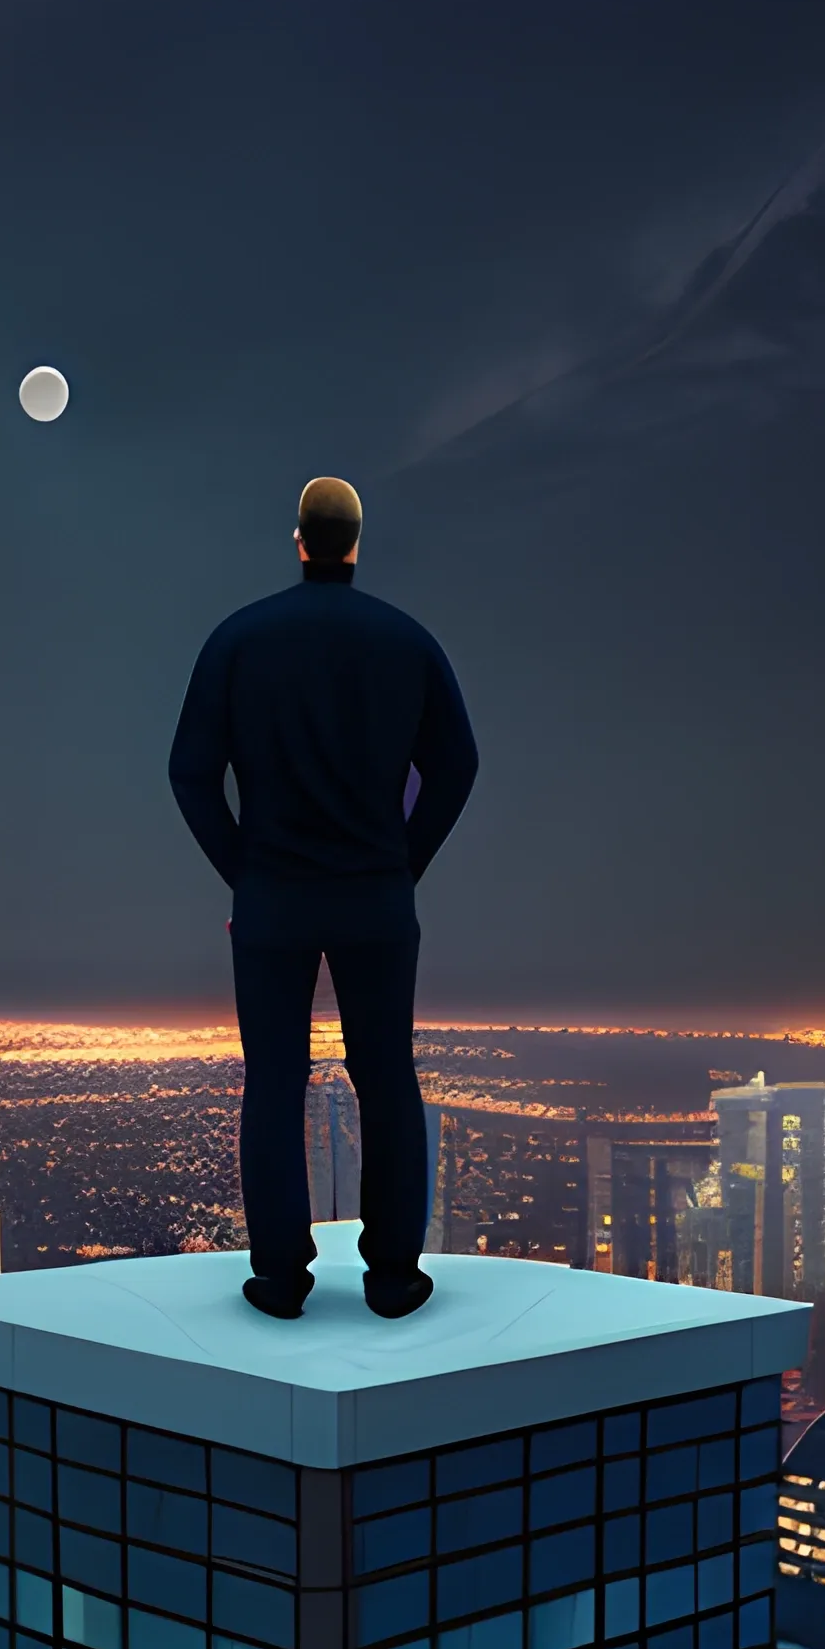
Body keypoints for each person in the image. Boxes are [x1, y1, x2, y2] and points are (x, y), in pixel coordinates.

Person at [169, 477, 479, 1319]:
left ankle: (278, 1277)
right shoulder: (405, 641)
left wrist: (243, 868)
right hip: (377, 896)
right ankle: (392, 1276)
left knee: (273, 1080)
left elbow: (190, 773)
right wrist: (403, 860)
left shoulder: (239, 639)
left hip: (273, 896)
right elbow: (458, 766)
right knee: (388, 1079)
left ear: (299, 541)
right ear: (355, 542)